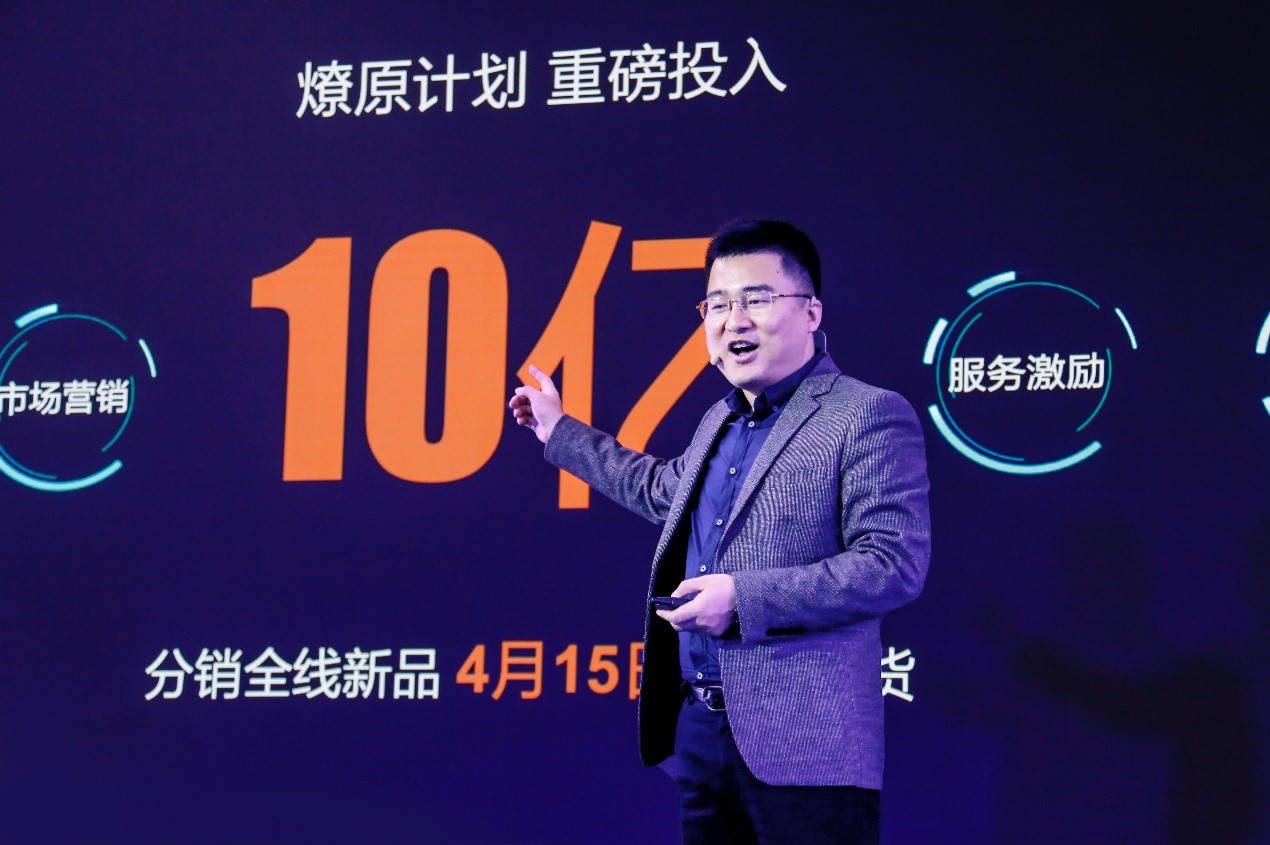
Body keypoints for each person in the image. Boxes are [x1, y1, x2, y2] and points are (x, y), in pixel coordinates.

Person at [508, 219, 931, 844]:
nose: (735, 320)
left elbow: (892, 564)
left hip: (805, 745)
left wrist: (742, 599)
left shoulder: (866, 413)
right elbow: (661, 490)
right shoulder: (719, 419)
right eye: (718, 303)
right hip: (701, 733)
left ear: (811, 312)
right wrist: (558, 431)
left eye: (756, 299)